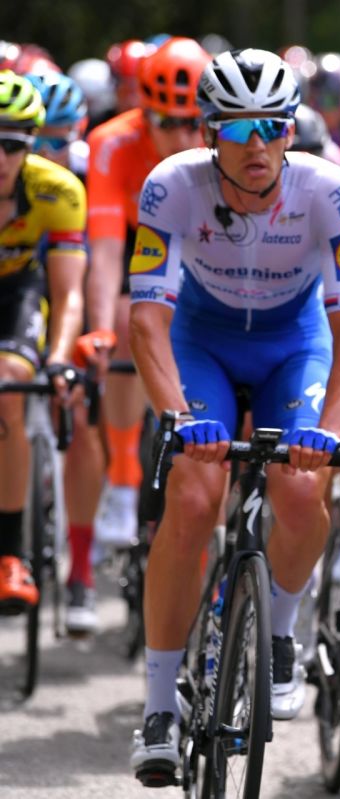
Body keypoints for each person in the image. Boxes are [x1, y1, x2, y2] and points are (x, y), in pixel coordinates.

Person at [126, 48, 340, 781]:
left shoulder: (333, 192)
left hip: (298, 343)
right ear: (208, 133)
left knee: (301, 486)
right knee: (194, 499)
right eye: (238, 128)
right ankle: (159, 705)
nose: (257, 145)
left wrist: (330, 430)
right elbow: (146, 321)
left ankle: (282, 632)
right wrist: (175, 415)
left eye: (274, 126)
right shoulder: (171, 186)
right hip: (203, 341)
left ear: (292, 130)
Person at [85, 37, 210, 552]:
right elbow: (105, 253)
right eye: (166, 122)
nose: (181, 137)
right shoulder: (111, 143)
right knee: (122, 321)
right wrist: (99, 330)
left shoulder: (222, 147)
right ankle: (121, 475)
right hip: (137, 241)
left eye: (192, 122)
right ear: (143, 112)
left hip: (201, 250)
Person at [0, 72, 87, 615]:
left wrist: (57, 359)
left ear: (31, 145)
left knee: (9, 387)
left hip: (19, 293)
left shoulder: (59, 190)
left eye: (12, 145)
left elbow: (69, 292)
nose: (0, 158)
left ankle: (9, 554)